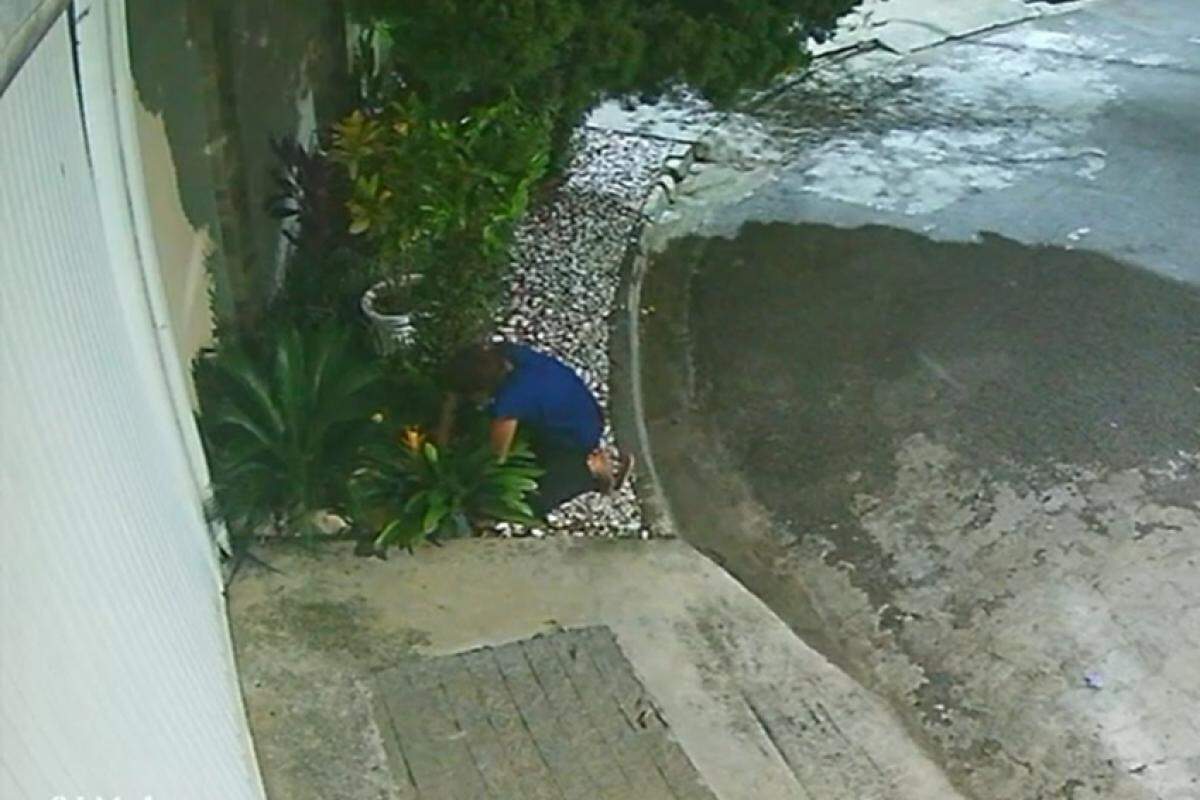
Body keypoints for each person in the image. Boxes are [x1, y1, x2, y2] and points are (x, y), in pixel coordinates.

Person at [437, 341, 633, 517]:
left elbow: (496, 457)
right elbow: (452, 399)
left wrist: (450, 464)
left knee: (533, 501)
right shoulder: (509, 352)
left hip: (572, 441)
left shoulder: (510, 401)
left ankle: (593, 471)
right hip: (585, 411)